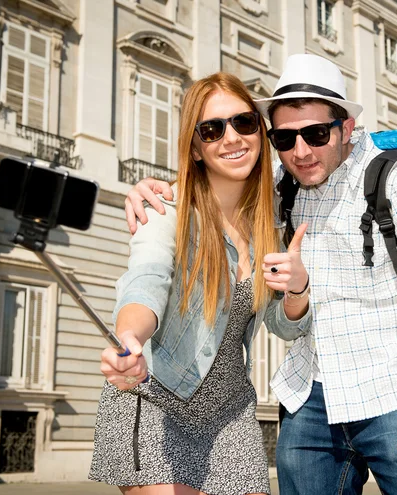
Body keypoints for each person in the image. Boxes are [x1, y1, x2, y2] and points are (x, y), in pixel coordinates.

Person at [123, 54, 397, 494]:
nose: (301, 150)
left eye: (316, 133)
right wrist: (155, 190)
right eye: (286, 138)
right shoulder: (283, 183)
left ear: (346, 127)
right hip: (310, 401)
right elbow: (216, 175)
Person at [89, 72, 312, 495]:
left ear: (260, 133)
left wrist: (298, 288)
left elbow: (283, 327)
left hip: (230, 410)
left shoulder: (271, 229)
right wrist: (129, 338)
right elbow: (146, 278)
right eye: (212, 129)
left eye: (244, 123)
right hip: (157, 397)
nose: (232, 138)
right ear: (195, 148)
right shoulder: (167, 209)